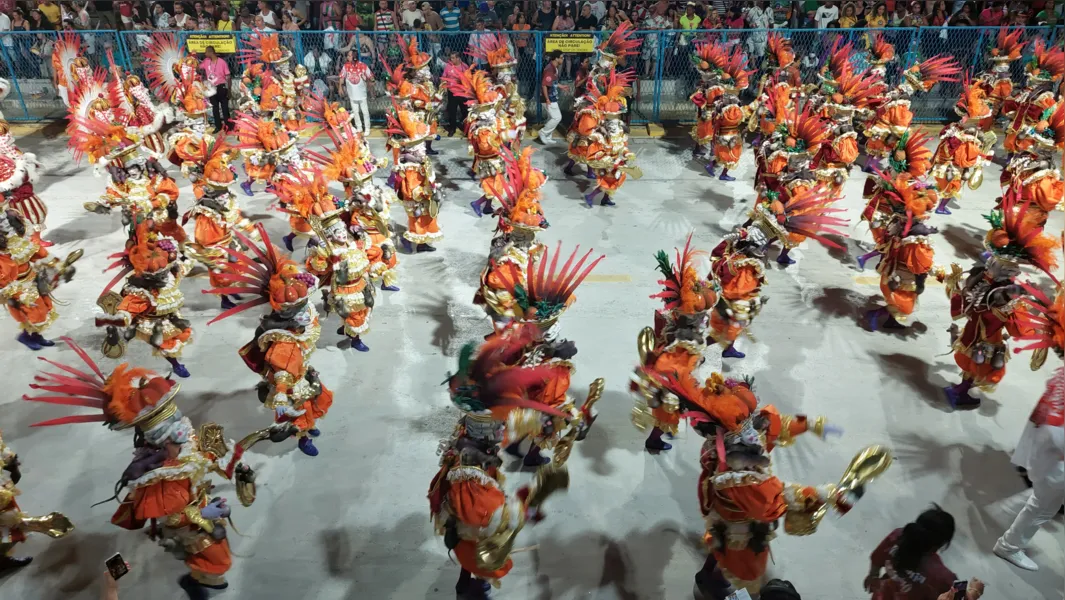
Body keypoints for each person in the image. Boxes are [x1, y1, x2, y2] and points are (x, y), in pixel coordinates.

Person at [994, 369, 1065, 571]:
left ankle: (1010, 543)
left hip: (1048, 456)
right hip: (1054, 463)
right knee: (1041, 506)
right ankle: (1008, 546)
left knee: (1045, 505)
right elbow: (1055, 431)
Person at [865, 506, 985, 600]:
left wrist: (873, 576)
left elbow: (877, 559)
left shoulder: (896, 537)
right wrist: (975, 591)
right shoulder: (944, 577)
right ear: (941, 544)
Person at [340, 49, 373, 134]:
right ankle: (359, 127)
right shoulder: (346, 66)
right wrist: (340, 87)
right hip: (352, 94)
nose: (348, 57)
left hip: (361, 93)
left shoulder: (363, 66)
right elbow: (341, 77)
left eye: (350, 56)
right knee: (355, 111)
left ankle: (367, 128)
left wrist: (371, 81)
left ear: (354, 56)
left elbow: (370, 76)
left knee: (365, 111)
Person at [202, 45, 231, 132]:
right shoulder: (206, 61)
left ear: (211, 52)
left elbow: (228, 76)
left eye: (206, 52)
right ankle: (218, 126)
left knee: (225, 107)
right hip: (211, 88)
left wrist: (229, 89)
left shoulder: (222, 62)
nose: (205, 53)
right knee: (215, 108)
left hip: (221, 86)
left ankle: (228, 126)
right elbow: (198, 67)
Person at [539, 49, 564, 144]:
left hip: (551, 97)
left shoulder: (554, 68)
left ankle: (548, 137)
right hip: (549, 98)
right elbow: (544, 84)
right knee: (557, 118)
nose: (563, 60)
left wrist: (560, 86)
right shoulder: (550, 69)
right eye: (561, 58)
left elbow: (552, 83)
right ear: (556, 59)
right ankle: (543, 132)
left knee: (551, 117)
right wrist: (547, 99)